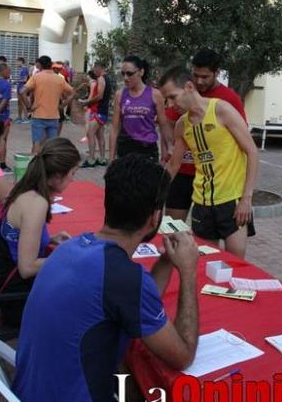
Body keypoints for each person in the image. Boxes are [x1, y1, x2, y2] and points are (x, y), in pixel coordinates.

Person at [12, 154, 199, 401]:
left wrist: (166, 262)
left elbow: (130, 305)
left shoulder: (71, 246)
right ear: (155, 217)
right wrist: (188, 272)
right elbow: (182, 356)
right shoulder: (122, 277)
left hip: (29, 391)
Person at [161, 66, 258, 259]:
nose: (171, 105)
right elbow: (174, 166)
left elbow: (252, 152)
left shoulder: (222, 110)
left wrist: (246, 199)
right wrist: (154, 198)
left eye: (173, 97)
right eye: (167, 100)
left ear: (189, 86)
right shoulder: (182, 124)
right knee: (209, 262)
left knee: (235, 262)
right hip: (202, 202)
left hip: (232, 200)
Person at [0, 138, 81, 325]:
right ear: (57, 176)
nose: (73, 179)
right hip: (16, 298)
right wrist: (66, 255)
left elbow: (16, 238)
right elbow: (27, 268)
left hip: (1, 279)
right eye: (72, 173)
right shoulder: (36, 203)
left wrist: (49, 239)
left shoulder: (24, 190)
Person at [164, 48, 248, 223]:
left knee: (213, 238)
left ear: (217, 73)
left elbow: (244, 143)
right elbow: (169, 123)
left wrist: (244, 193)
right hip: (183, 171)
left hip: (217, 181)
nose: (199, 81)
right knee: (172, 227)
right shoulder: (183, 93)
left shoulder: (229, 99)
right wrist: (168, 148)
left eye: (205, 77)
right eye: (196, 75)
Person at [109, 56, 171, 163]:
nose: (125, 78)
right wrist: (111, 159)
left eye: (129, 73)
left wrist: (168, 149)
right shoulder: (120, 95)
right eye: (123, 74)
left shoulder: (155, 94)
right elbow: (114, 129)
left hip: (147, 149)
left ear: (141, 72)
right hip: (125, 148)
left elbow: (163, 125)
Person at [20, 56, 75, 154]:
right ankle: (50, 166)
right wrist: (63, 105)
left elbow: (22, 91)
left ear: (40, 65)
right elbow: (72, 93)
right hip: (54, 116)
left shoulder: (36, 77)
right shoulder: (59, 79)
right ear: (51, 65)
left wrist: (29, 107)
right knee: (51, 145)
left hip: (38, 115)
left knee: (36, 143)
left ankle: (36, 166)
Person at [78, 61, 113, 168]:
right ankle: (102, 158)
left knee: (90, 133)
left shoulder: (101, 78)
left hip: (99, 111)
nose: (94, 71)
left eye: (94, 68)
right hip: (102, 111)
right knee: (99, 135)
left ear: (99, 67)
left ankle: (91, 159)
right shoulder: (106, 78)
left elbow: (100, 96)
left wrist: (86, 102)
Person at [16, 57, 30, 123]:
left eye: (17, 62)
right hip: (19, 87)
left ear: (21, 61)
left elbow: (25, 79)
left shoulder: (25, 69)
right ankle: (19, 117)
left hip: (22, 87)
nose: (17, 63)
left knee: (23, 103)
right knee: (19, 102)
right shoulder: (21, 69)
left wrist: (16, 81)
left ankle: (26, 118)